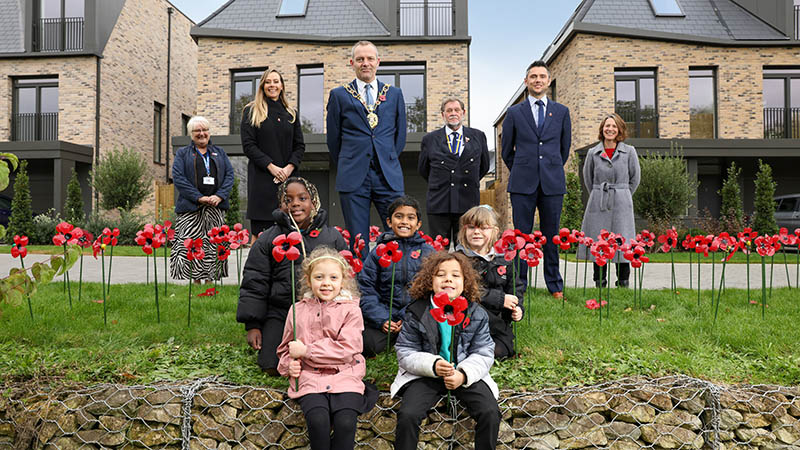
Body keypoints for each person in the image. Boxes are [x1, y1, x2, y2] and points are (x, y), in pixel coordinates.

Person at [237, 177, 348, 375]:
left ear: (313, 202)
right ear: (280, 205)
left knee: (329, 362)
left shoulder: (332, 237)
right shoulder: (269, 239)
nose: (295, 203)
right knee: (271, 365)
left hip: (324, 313)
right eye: (288, 200)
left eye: (302, 198)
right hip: (282, 312)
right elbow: (255, 281)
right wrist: (253, 325)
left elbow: (347, 280)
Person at [391, 251, 501, 450]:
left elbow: (484, 351)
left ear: (465, 282)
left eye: (455, 275)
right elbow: (405, 351)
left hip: (464, 373)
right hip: (424, 375)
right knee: (408, 414)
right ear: (429, 280)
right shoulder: (417, 312)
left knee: (490, 412)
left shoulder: (476, 312)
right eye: (440, 274)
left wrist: (463, 374)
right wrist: (432, 365)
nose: (448, 278)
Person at [276, 246, 378, 450]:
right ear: (308, 280)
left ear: (343, 280)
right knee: (318, 421)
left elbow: (348, 348)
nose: (326, 283)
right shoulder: (297, 310)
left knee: (346, 423)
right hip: (309, 379)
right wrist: (288, 365)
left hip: (345, 376)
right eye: (319, 277)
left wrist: (307, 351)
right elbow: (286, 349)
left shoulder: (351, 310)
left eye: (333, 278)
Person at [326, 40, 407, 256]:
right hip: (353, 176)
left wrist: (387, 157)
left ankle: (396, 285)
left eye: (370, 58)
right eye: (360, 59)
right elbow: (333, 140)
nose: (365, 63)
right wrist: (350, 159)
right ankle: (361, 287)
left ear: (378, 62)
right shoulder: (339, 95)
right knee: (357, 239)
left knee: (398, 233)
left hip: (387, 175)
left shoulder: (395, 94)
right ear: (352, 63)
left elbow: (400, 137)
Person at [501, 60, 572, 299]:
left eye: (542, 76)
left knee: (551, 235)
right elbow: (506, 151)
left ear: (548, 81)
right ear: (526, 82)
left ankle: (555, 285)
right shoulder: (514, 113)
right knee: (521, 235)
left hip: (552, 182)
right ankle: (520, 285)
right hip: (522, 183)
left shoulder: (561, 112)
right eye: (533, 76)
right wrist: (523, 167)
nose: (538, 80)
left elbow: (564, 149)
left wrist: (548, 167)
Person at [358, 195, 434, 357]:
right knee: (368, 344)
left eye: (410, 218)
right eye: (399, 216)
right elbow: (366, 289)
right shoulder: (378, 252)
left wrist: (407, 316)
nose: (404, 222)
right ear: (389, 222)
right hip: (386, 317)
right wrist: (383, 318)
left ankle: (407, 337)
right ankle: (395, 336)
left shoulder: (428, 253)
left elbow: (432, 291)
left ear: (418, 224)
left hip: (416, 316)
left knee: (432, 341)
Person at [577, 113, 641, 288]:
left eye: (614, 126)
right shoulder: (593, 153)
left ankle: (623, 282)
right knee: (599, 242)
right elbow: (588, 179)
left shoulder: (630, 152)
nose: (610, 129)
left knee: (623, 241)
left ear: (619, 129)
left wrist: (622, 193)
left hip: (622, 203)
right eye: (607, 126)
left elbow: (635, 179)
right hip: (599, 202)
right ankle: (600, 281)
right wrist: (599, 194)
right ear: (602, 129)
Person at [241, 69, 305, 236]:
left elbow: (299, 146)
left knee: (289, 234)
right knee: (261, 235)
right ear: (262, 85)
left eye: (276, 81)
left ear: (282, 86)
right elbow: (249, 146)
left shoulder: (291, 113)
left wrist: (288, 169)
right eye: (268, 82)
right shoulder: (251, 111)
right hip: (262, 181)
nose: (272, 85)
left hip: (288, 182)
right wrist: (272, 168)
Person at [454, 205, 524, 359]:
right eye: (471, 227)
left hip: (497, 326)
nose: (477, 232)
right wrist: (500, 299)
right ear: (463, 231)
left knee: (499, 352)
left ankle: (479, 353)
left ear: (495, 231)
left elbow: (516, 289)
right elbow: (463, 290)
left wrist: (518, 308)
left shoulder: (504, 260)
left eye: (483, 228)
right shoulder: (457, 259)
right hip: (466, 322)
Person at [170, 116, 235, 283]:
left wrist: (219, 196)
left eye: (204, 130)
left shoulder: (219, 152)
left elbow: (229, 176)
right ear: (191, 134)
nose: (202, 133)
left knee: (212, 245)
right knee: (192, 243)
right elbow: (178, 178)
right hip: (191, 208)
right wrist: (199, 197)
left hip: (215, 207)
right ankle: (195, 281)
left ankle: (210, 281)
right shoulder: (183, 154)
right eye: (197, 131)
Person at [418, 97, 490, 244]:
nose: (453, 113)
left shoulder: (478, 136)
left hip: (467, 204)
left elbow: (484, 167)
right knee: (438, 251)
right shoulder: (430, 139)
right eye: (449, 110)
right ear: (443, 114)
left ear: (463, 113)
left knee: (466, 249)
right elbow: (423, 169)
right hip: (439, 203)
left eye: (457, 110)